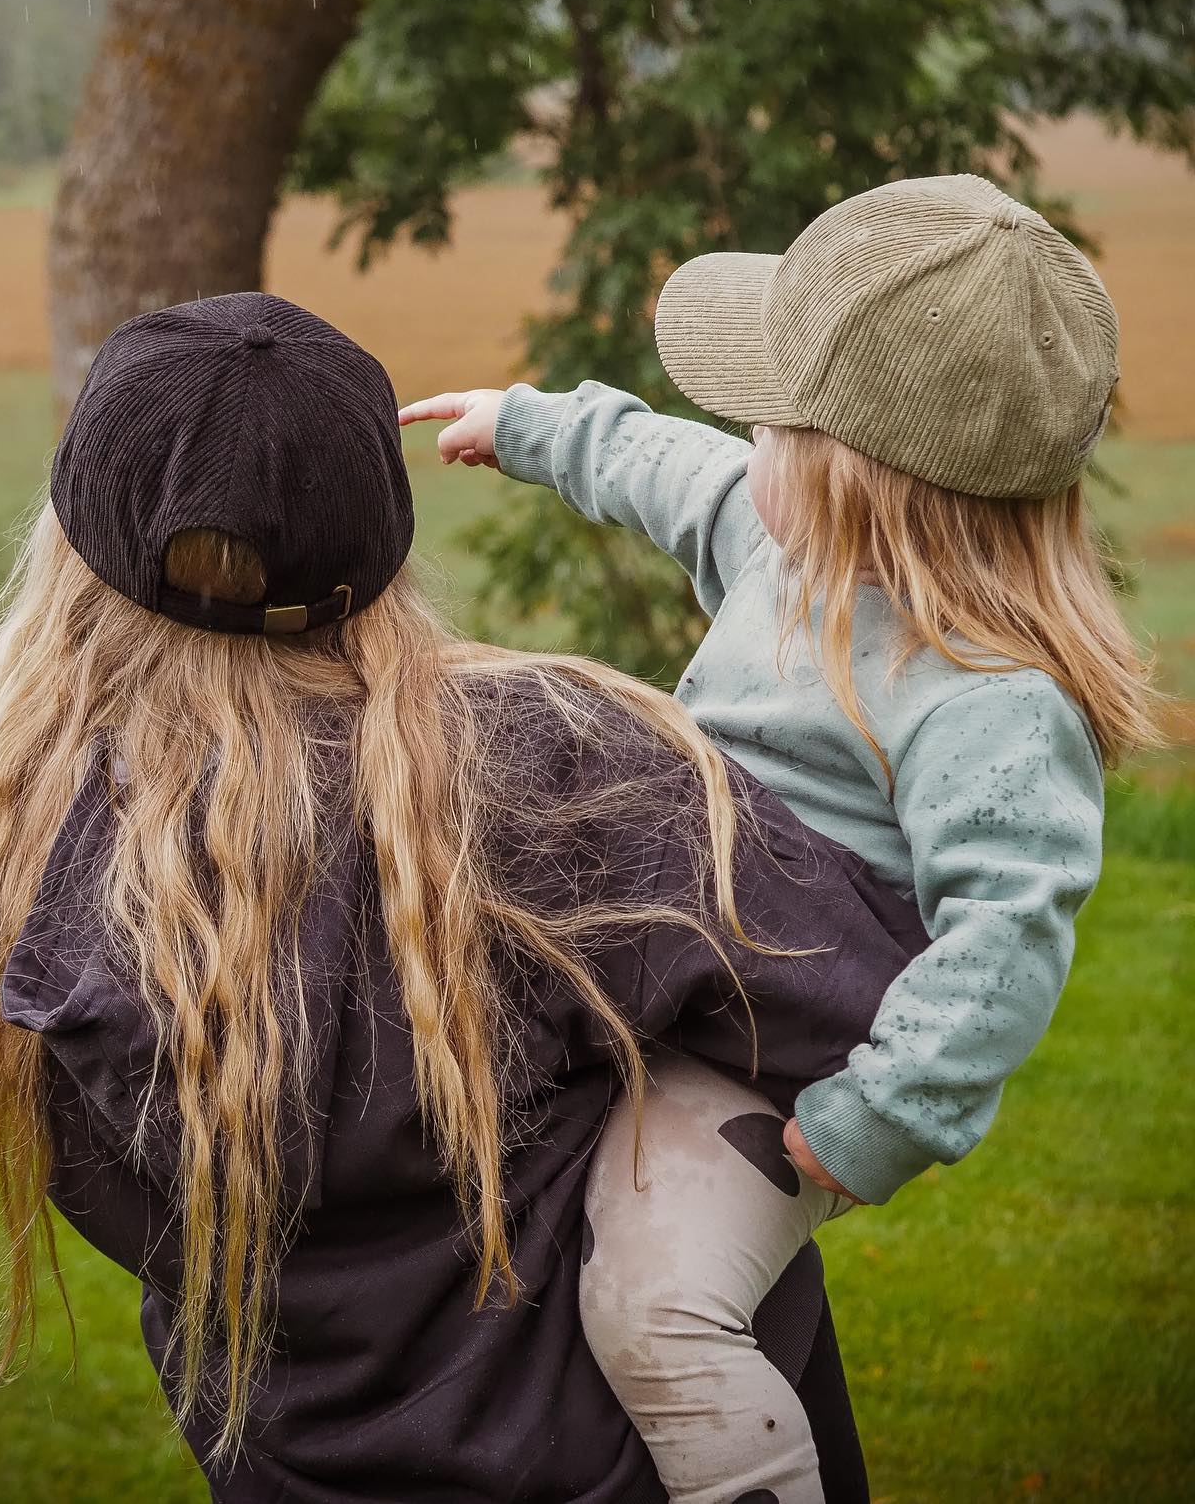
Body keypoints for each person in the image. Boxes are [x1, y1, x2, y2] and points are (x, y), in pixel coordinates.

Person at [0, 293, 927, 1504]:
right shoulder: (555, 770)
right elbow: (873, 1008)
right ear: (378, 532)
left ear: (75, 538)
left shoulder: (18, 870)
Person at [401, 173, 1163, 1503]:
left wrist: (876, 1120)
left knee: (656, 1304)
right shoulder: (788, 546)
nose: (737, 435)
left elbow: (1008, 938)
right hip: (673, 984)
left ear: (845, 469)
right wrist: (529, 421)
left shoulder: (986, 700)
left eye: (763, 413)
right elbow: (668, 468)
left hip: (769, 1074)